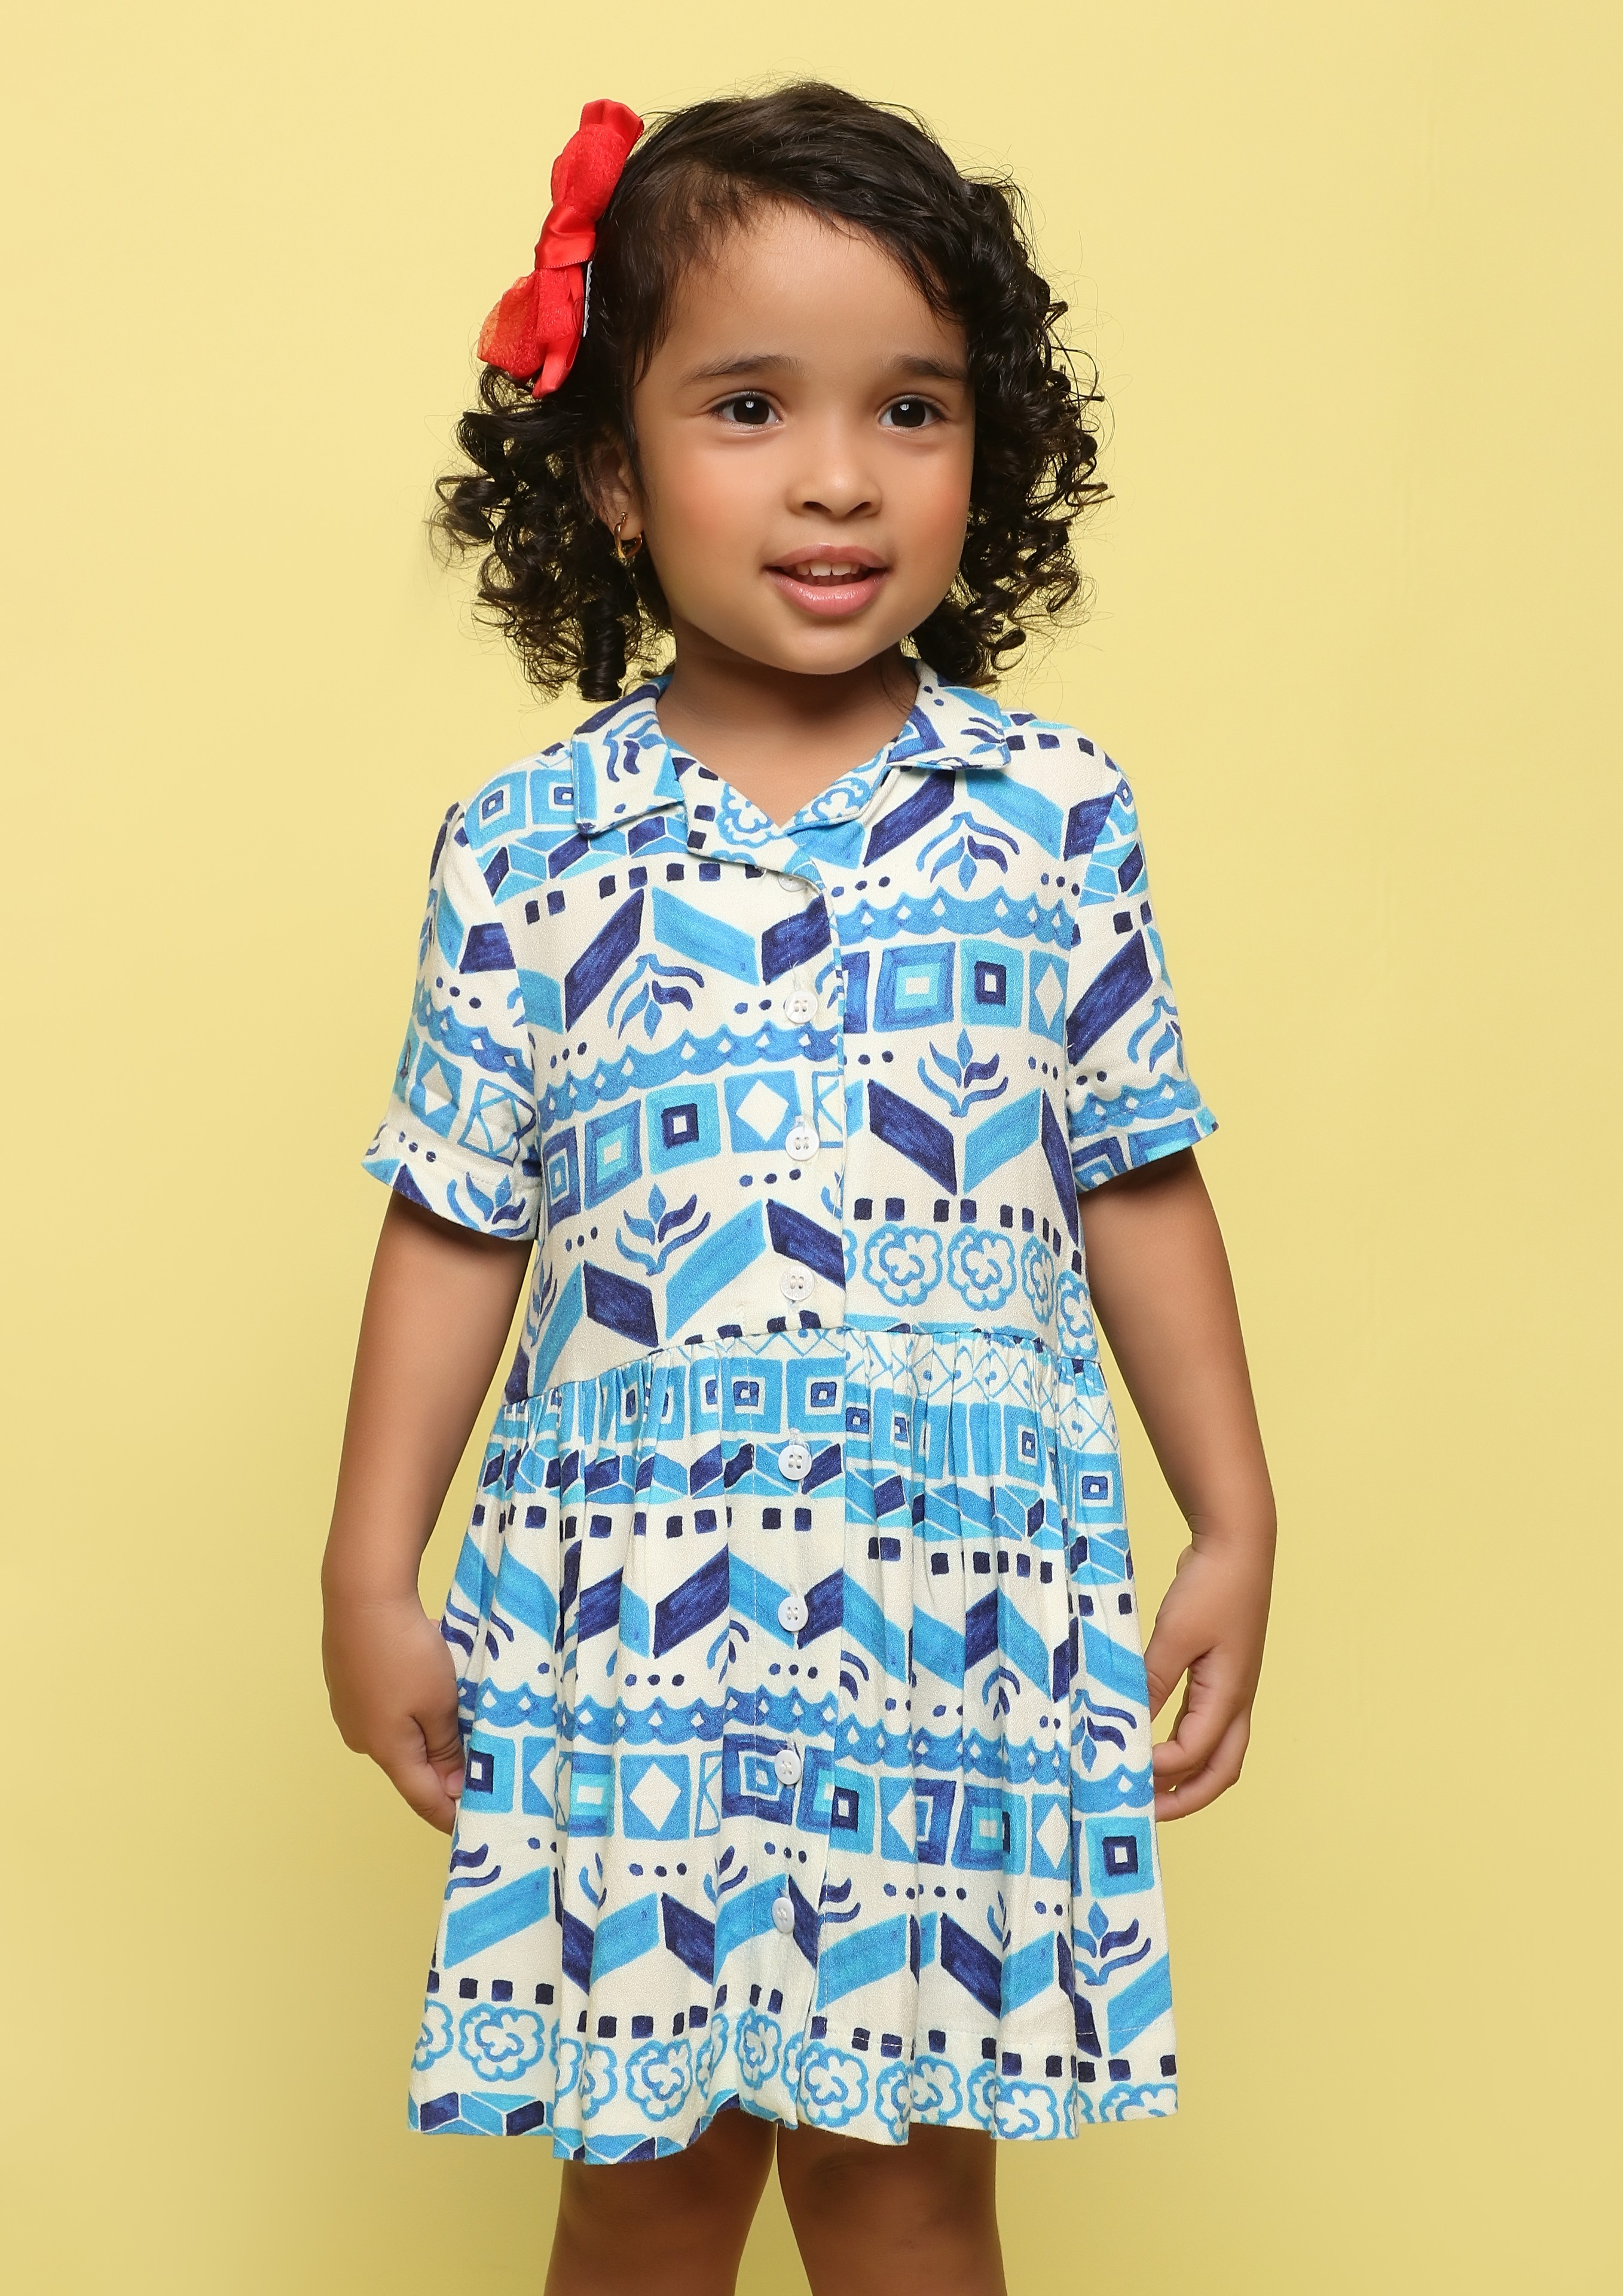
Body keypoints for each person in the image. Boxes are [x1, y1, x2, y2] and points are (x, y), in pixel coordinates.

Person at [321, 82, 1276, 2296]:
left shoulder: (1050, 815)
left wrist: (1231, 1513)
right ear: (609, 472)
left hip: (951, 1622)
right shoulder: (528, 846)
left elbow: (1135, 1176)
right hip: (635, 1637)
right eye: (748, 406)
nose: (838, 476)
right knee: (643, 2186)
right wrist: (371, 1565)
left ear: (985, 452)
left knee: (905, 2186)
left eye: (908, 409)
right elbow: (457, 1213)